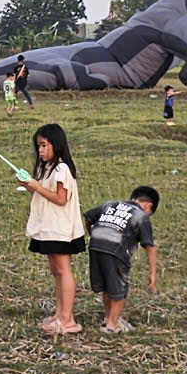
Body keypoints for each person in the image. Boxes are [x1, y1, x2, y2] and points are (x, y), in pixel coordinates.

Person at [21, 123, 87, 334]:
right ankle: (59, 315)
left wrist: (37, 187)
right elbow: (43, 195)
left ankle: (68, 320)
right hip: (48, 226)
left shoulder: (62, 169)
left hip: (60, 228)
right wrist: (29, 185)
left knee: (63, 270)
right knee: (56, 271)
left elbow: (61, 199)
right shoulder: (48, 168)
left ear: (56, 145)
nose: (40, 151)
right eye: (38, 146)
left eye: (43, 145)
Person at [83, 185, 160, 333]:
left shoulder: (111, 204)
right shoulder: (140, 215)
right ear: (148, 206)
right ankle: (112, 326)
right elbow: (149, 246)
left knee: (106, 286)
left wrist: (92, 234)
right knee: (119, 290)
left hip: (95, 246)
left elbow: (88, 216)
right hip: (116, 250)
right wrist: (152, 274)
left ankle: (108, 317)